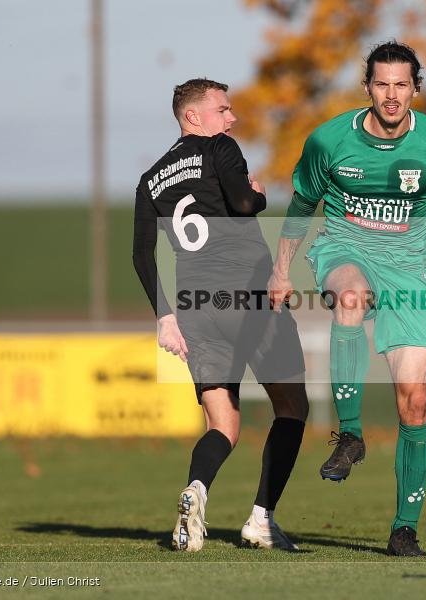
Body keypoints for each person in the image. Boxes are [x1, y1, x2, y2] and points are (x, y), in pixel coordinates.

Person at [267, 42, 426, 556]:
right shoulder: (329, 141)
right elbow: (301, 205)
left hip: (411, 273)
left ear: (416, 90)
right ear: (368, 88)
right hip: (344, 249)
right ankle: (351, 434)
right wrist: (281, 270)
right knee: (351, 295)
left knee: (416, 399)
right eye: (382, 84)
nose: (392, 95)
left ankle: (403, 528)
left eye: (402, 85)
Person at [133, 78, 308, 552]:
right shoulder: (220, 149)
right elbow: (242, 203)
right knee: (292, 407)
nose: (231, 119)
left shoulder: (151, 178)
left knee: (222, 425)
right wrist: (259, 195)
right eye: (223, 110)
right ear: (195, 115)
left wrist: (165, 317)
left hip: (193, 311)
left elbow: (142, 257)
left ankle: (197, 490)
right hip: (246, 298)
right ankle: (261, 519)